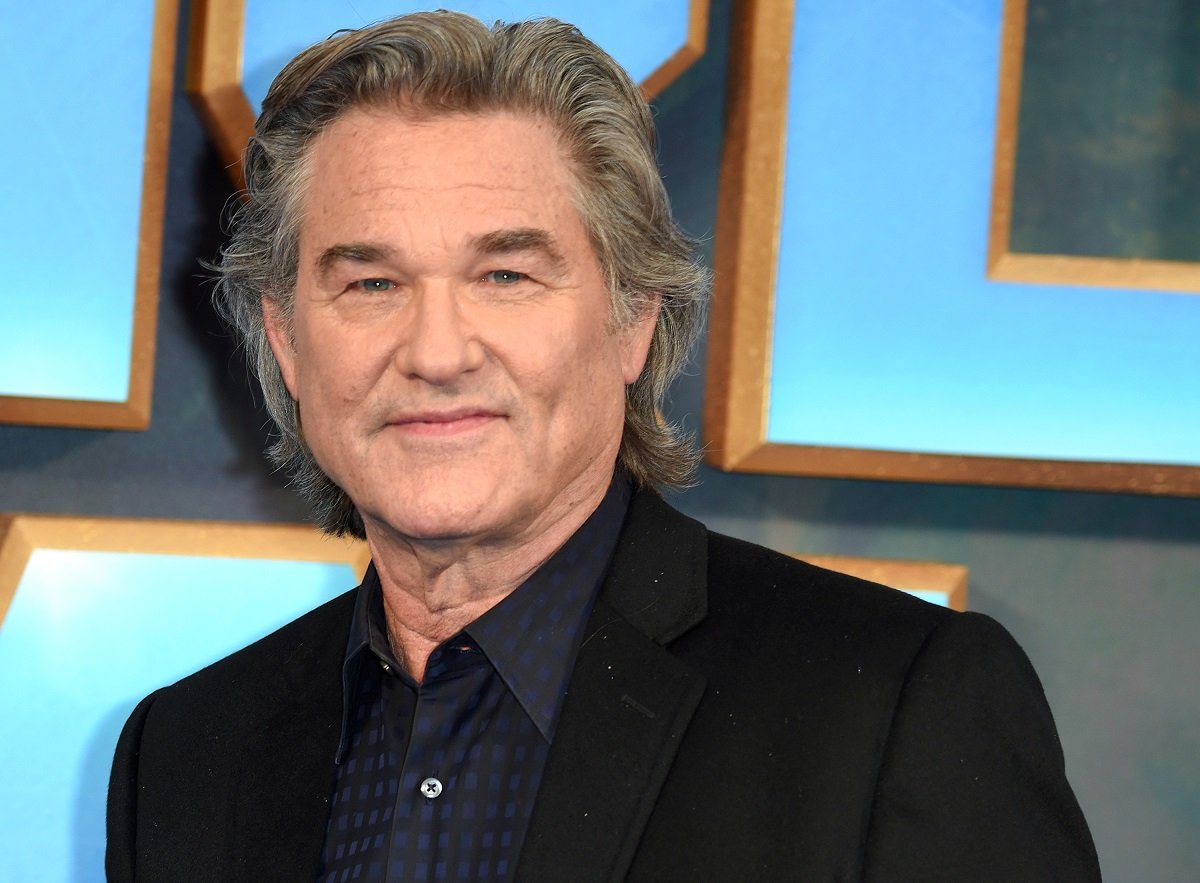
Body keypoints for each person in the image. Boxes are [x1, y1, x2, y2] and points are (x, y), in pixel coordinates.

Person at [106, 11, 1100, 881]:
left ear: (632, 320)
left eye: (505, 276)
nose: (436, 352)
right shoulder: (187, 753)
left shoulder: (895, 710)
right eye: (371, 283)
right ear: (285, 338)